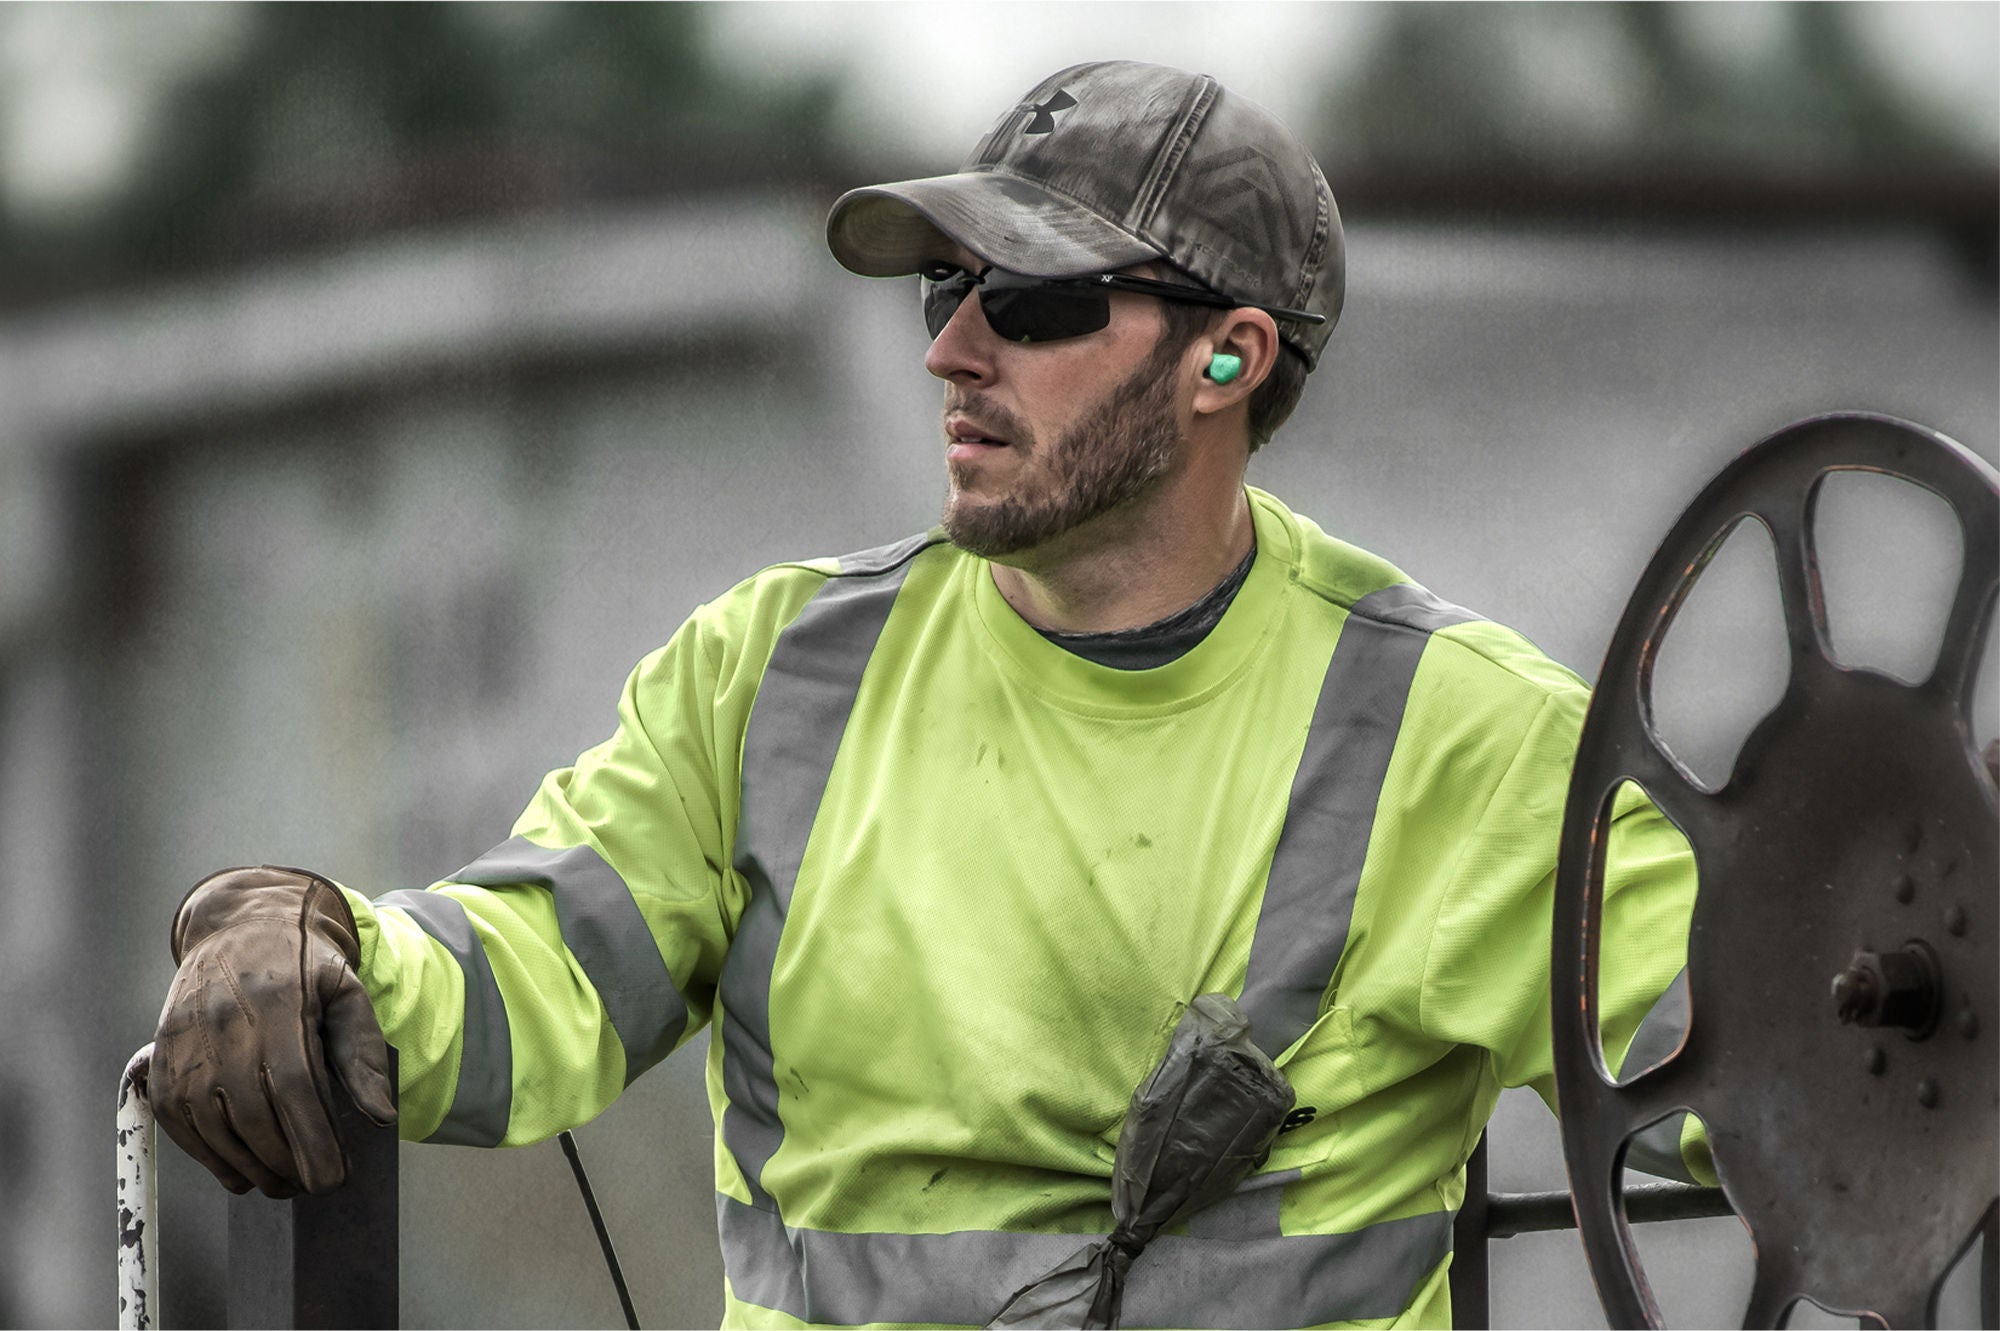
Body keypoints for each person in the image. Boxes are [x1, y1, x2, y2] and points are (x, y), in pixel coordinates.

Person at [148, 60, 1702, 1328]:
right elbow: (530, 970)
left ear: (1228, 361)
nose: (954, 349)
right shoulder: (770, 681)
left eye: (1031, 300)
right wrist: (318, 935)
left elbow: (1774, 1073)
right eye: (945, 289)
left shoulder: (1464, 741)